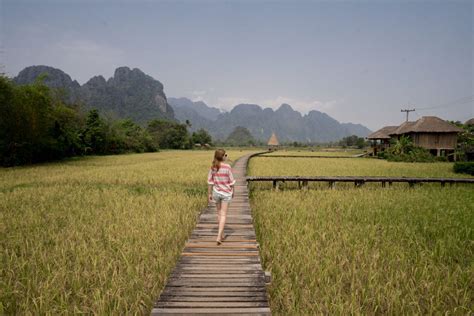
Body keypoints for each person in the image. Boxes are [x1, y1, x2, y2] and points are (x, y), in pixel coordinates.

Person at [207, 149, 235, 245]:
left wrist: (209, 194)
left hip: (216, 193)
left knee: (219, 214)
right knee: (223, 215)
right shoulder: (227, 167)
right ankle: (219, 236)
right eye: (225, 155)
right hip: (226, 193)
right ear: (222, 156)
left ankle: (221, 233)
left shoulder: (213, 167)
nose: (226, 156)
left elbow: (210, 182)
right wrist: (233, 191)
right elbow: (231, 181)